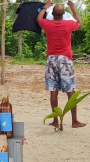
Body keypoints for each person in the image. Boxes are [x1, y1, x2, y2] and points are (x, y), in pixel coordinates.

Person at [36, 0, 85, 129]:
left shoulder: (47, 24)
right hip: (65, 60)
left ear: (52, 14)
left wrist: (45, 7)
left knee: (53, 91)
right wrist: (73, 8)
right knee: (70, 91)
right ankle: (74, 121)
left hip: (51, 60)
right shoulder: (69, 24)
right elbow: (79, 23)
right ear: (64, 14)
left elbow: (38, 19)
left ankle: (55, 121)